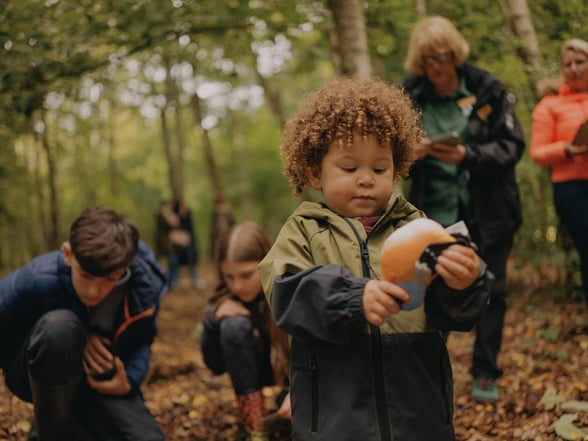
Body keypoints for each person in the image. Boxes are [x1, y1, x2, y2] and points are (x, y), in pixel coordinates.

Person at [257, 77, 493, 441]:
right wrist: (352, 298)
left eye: (379, 169)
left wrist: (465, 284)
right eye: (350, 169)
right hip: (336, 422)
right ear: (315, 172)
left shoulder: (418, 227)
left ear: (396, 168)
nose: (366, 179)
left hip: (420, 416)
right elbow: (287, 296)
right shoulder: (302, 231)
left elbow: (453, 314)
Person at [401, 15, 525, 403]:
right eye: (427, 59)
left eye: (441, 56)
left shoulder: (487, 88)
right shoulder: (408, 96)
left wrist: (468, 155)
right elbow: (385, 154)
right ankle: (432, 375)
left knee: (493, 290)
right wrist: (410, 150)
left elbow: (511, 146)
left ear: (454, 54)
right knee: (429, 290)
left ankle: (485, 372)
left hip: (490, 211)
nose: (436, 65)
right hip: (432, 215)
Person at [0, 206, 167, 441]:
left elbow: (143, 339)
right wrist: (78, 336)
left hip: (100, 383)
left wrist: (129, 378)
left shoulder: (143, 289)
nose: (93, 290)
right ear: (68, 255)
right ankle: (54, 431)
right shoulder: (36, 278)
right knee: (60, 328)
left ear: (125, 268)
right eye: (86, 275)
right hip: (39, 373)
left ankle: (66, 422)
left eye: (109, 279)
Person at [200, 221, 291, 441]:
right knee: (233, 326)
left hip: (297, 376)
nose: (238, 286)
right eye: (229, 277)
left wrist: (300, 391)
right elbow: (215, 366)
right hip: (254, 373)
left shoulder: (291, 287)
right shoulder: (226, 302)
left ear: (266, 261)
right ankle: (254, 426)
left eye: (246, 275)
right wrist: (212, 322)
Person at [529, 38, 588, 307]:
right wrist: (566, 149)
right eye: (568, 64)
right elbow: (537, 153)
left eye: (580, 62)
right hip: (572, 189)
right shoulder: (549, 105)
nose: (574, 68)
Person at [156, 199, 204, 289]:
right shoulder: (163, 217)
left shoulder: (175, 216)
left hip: (178, 247)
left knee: (175, 264)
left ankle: (172, 283)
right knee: (172, 264)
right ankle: (171, 283)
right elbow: (173, 225)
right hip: (171, 247)